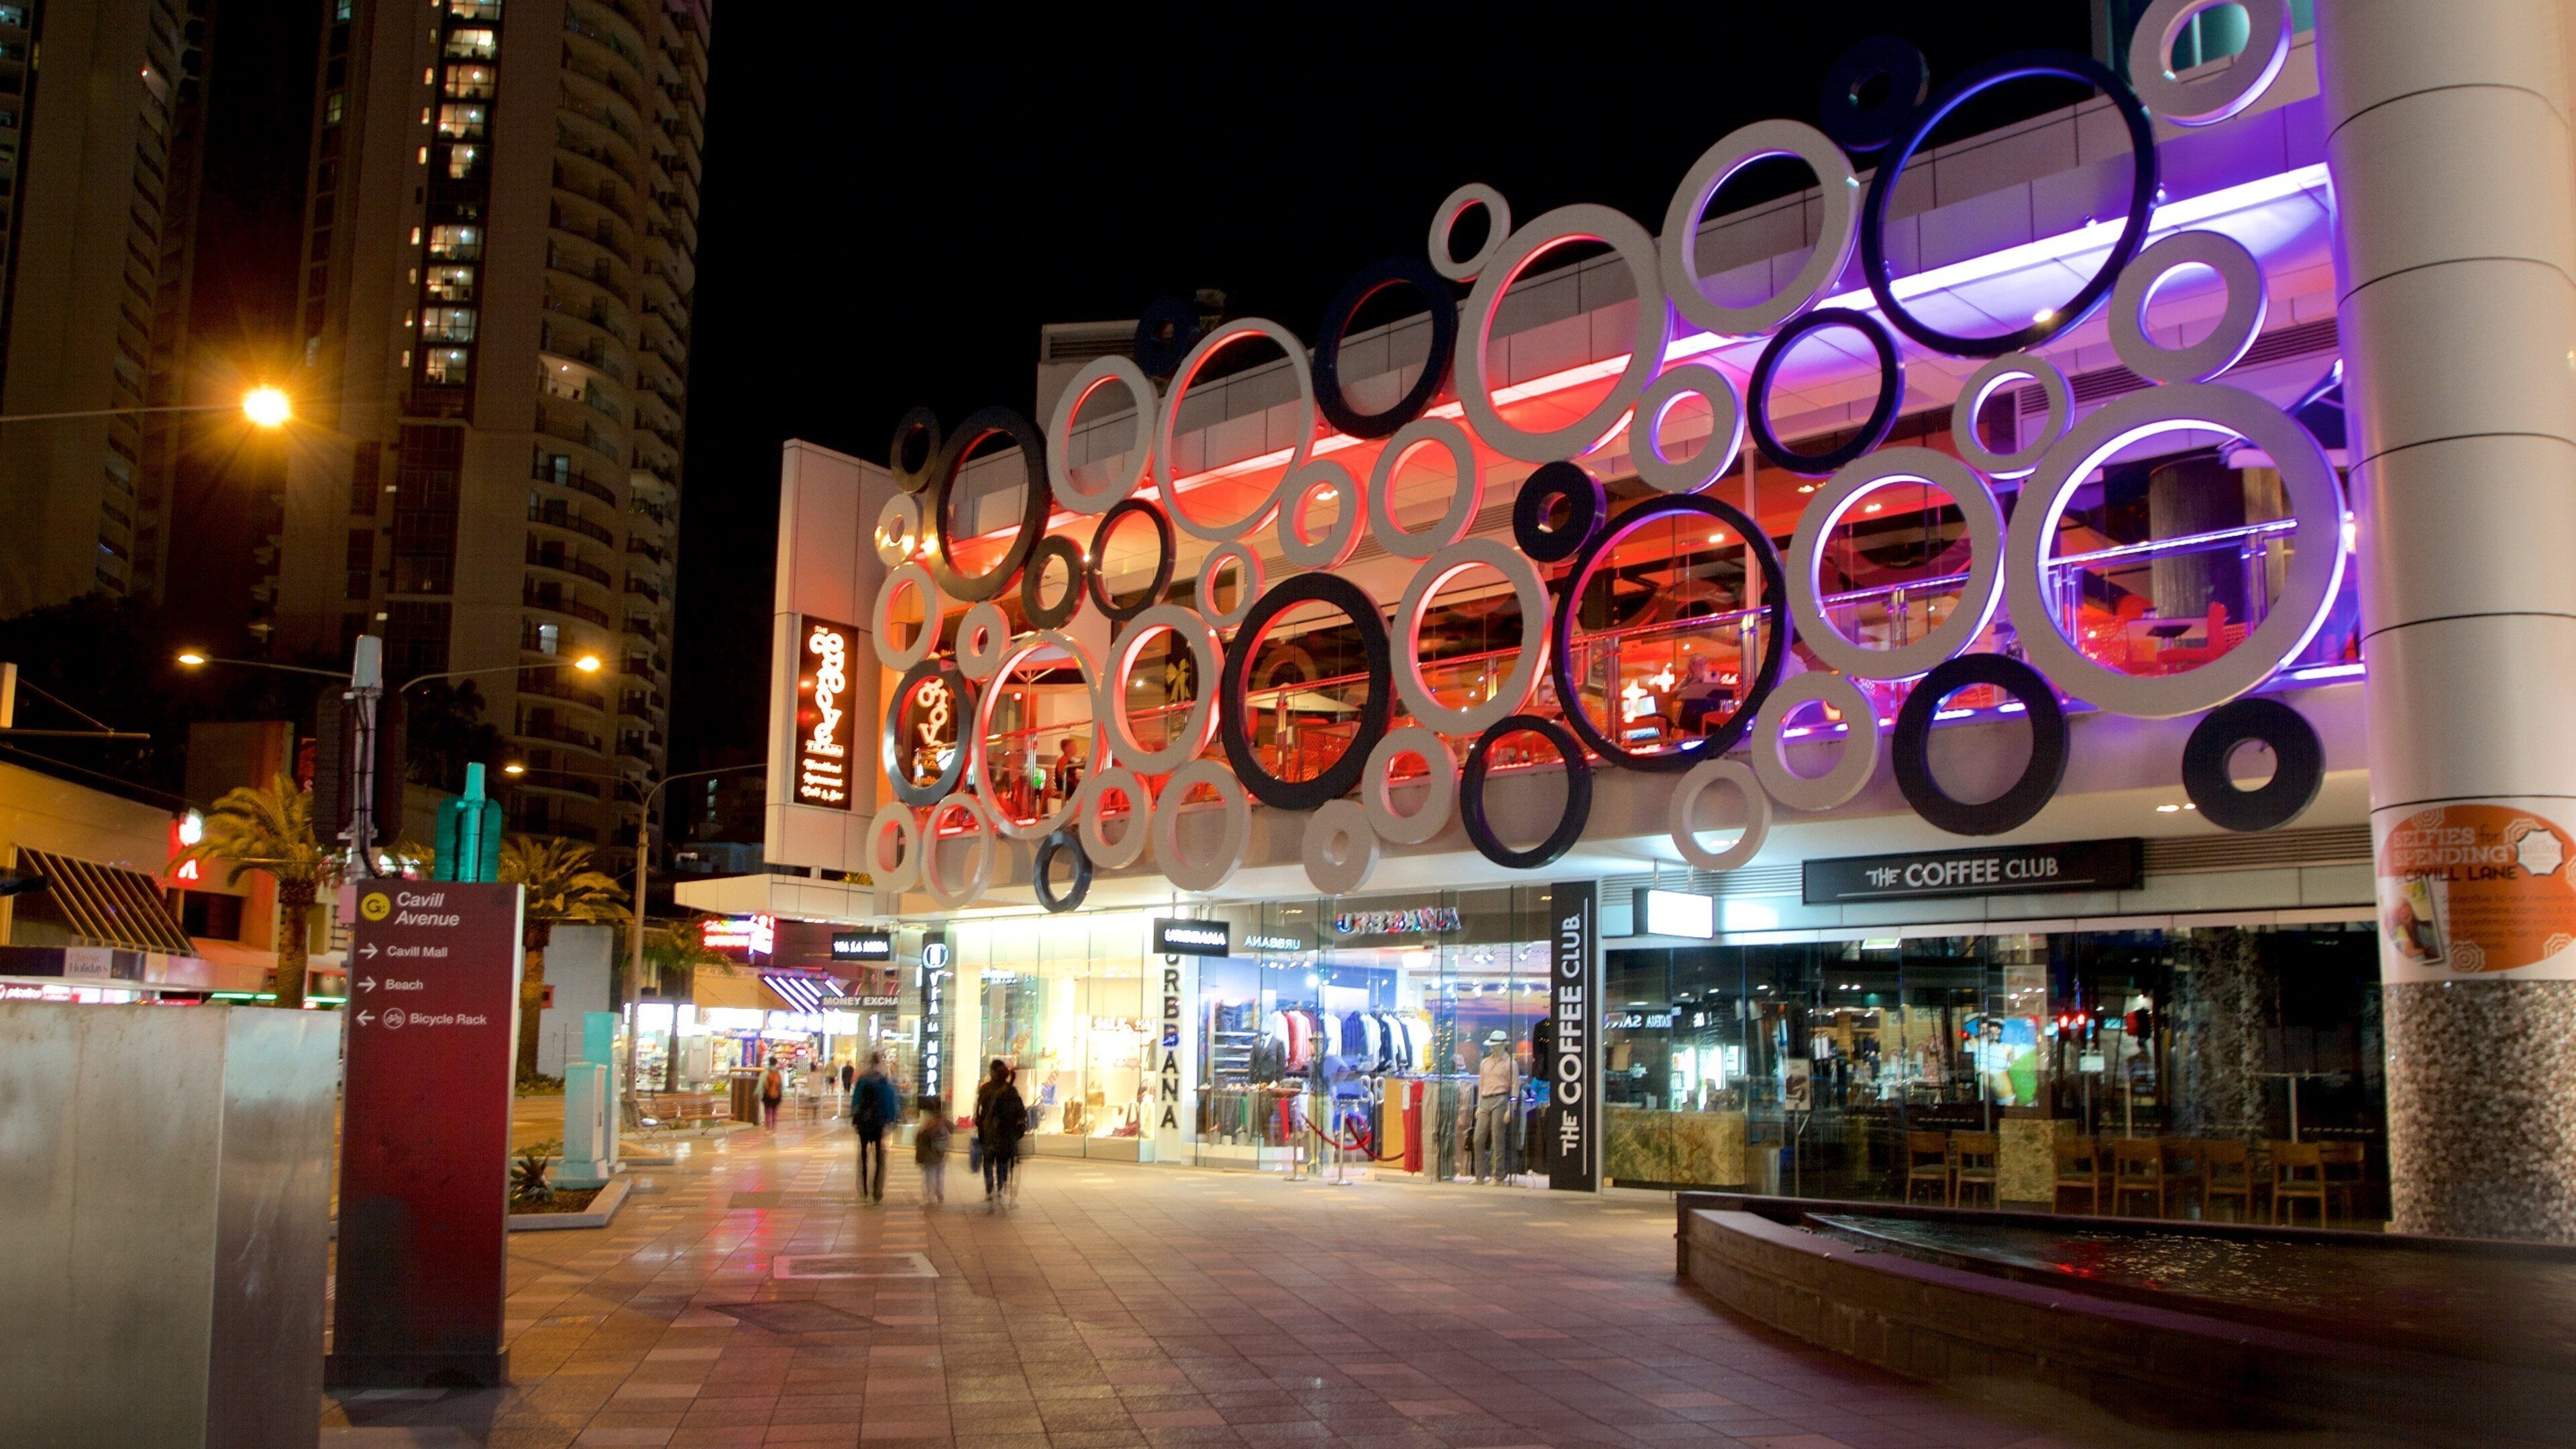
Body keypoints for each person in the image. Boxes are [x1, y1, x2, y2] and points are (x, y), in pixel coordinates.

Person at [974, 1059, 1028, 1211]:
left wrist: (982, 1126)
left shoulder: (985, 1090)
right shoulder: (1011, 1091)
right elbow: (1021, 1114)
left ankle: (990, 1189)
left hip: (988, 1132)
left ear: (992, 1072)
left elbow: (979, 1113)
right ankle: (1000, 1188)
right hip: (1007, 1135)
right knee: (1003, 1162)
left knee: (988, 1161)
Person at [850, 1052, 903, 1203]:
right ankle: (877, 1191)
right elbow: (889, 1101)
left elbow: (855, 1102)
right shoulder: (882, 1081)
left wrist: (854, 1118)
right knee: (880, 1157)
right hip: (878, 1122)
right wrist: (892, 1119)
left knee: (863, 1155)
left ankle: (864, 1190)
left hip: (863, 1123)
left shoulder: (862, 1081)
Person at [1472, 1030, 1514, 1184]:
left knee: (1498, 1138)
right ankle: (1480, 1175)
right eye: (1492, 1045)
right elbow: (1481, 1084)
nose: (1493, 1048)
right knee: (1478, 1138)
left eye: (1496, 1045)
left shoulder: (1510, 1064)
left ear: (1503, 1045)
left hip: (1501, 1099)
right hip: (1485, 1100)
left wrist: (1511, 1107)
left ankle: (1498, 1175)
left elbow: (1514, 1087)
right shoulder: (1485, 1063)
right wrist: (1479, 1105)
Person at [914, 1095, 952, 1205]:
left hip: (929, 1151)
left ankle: (930, 1195)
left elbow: (920, 1136)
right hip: (940, 1151)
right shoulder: (942, 1119)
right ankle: (940, 1193)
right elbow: (952, 1129)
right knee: (940, 1172)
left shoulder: (926, 1120)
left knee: (929, 1174)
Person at [758, 1055, 784, 1130]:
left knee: (767, 1111)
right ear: (776, 1063)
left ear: (769, 1063)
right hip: (777, 1094)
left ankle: (768, 1128)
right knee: (774, 1111)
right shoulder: (779, 1073)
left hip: (767, 1094)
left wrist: (758, 1092)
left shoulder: (765, 1072)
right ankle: (773, 1128)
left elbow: (760, 1085)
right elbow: (782, 1085)